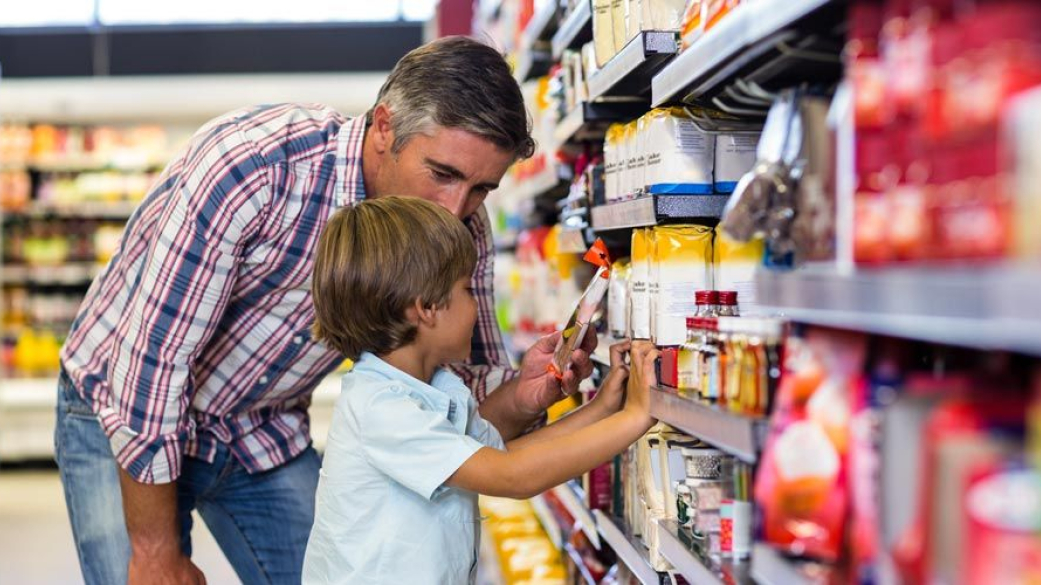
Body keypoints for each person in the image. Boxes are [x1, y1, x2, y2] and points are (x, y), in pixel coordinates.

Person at [55, 36, 597, 585]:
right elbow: (153, 363)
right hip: (118, 410)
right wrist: (153, 551)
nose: (456, 209)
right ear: (386, 128)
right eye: (443, 173)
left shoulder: (458, 232)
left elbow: (452, 394)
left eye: (482, 188)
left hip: (260, 424)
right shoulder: (254, 169)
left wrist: (526, 390)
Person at [301, 196, 659, 584]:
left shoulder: (436, 387)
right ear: (426, 308)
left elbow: (503, 454)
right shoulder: (380, 406)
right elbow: (511, 476)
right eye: (467, 290)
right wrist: (635, 418)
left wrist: (603, 408)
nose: (476, 305)